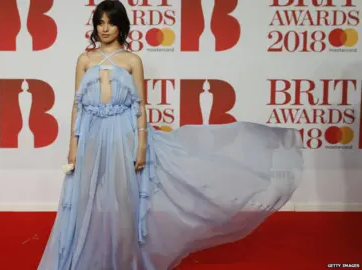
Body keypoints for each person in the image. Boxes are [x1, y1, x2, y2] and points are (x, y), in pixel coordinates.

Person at [37, 1, 304, 269]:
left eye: (111, 22)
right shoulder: (85, 59)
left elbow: (140, 105)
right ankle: (84, 257)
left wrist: (141, 146)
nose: (105, 28)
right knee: (85, 198)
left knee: (123, 200)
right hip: (92, 132)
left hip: (123, 133)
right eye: (100, 22)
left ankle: (122, 259)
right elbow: (77, 105)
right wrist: (74, 146)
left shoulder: (132, 60)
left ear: (121, 26)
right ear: (95, 26)